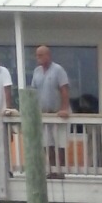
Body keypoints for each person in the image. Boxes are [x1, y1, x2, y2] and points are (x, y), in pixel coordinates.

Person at [31, 45, 70, 177]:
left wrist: (64, 109)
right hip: (44, 114)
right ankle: (52, 170)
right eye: (37, 55)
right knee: (47, 144)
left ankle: (61, 171)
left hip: (58, 113)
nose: (38, 58)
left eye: (41, 55)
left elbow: (64, 90)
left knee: (60, 144)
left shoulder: (58, 70)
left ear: (48, 55)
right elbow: (33, 91)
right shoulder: (36, 71)